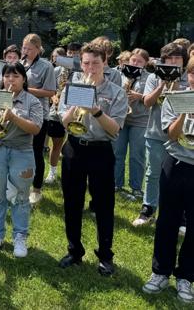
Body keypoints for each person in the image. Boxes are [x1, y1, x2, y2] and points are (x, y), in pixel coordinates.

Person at [58, 42, 128, 276]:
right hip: (74, 148)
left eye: (95, 63)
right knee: (72, 202)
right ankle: (74, 250)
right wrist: (76, 106)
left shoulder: (116, 92)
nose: (90, 68)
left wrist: (96, 110)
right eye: (86, 63)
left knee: (104, 204)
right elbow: (64, 122)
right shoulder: (72, 86)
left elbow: (115, 129)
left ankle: (106, 255)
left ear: (104, 62)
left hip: (101, 150)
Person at [142, 57, 194, 304]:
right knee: (167, 221)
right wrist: (186, 111)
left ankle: (186, 276)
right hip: (175, 163)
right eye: (193, 74)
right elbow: (172, 135)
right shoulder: (175, 97)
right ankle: (160, 272)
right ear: (188, 76)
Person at [0, 61, 43, 257]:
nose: (11, 79)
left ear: (23, 79)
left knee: (21, 197)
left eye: (16, 76)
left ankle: (20, 237)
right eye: (7, 76)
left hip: (22, 152)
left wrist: (14, 117)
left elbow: (36, 128)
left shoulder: (32, 101)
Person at [133, 42, 189, 226]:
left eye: (177, 58)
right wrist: (163, 84)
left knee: (179, 177)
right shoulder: (153, 77)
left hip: (183, 134)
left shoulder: (189, 77)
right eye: (169, 58)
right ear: (163, 60)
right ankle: (148, 209)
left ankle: (179, 216)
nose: (173, 61)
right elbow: (148, 102)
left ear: (183, 60)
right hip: (156, 131)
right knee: (153, 173)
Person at [20, 33, 56, 205]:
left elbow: (51, 92)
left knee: (36, 152)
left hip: (38, 114)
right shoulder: (20, 64)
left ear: (37, 49)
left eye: (28, 48)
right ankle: (22, 185)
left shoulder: (46, 66)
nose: (25, 51)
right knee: (21, 151)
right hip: (20, 113)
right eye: (23, 47)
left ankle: (36, 189)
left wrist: (27, 89)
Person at [113, 48, 150, 198]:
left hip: (140, 120)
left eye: (140, 62)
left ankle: (136, 187)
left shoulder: (149, 77)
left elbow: (152, 98)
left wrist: (140, 96)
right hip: (121, 119)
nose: (135, 63)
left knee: (136, 155)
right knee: (118, 153)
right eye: (133, 60)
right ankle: (116, 184)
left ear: (145, 64)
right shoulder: (120, 74)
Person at [45, 43, 80, 184]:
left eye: (76, 53)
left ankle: (72, 173)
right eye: (70, 52)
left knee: (72, 144)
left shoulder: (82, 71)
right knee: (56, 143)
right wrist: (54, 98)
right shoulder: (57, 70)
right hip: (55, 110)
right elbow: (50, 89)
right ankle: (52, 172)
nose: (72, 55)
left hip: (74, 112)